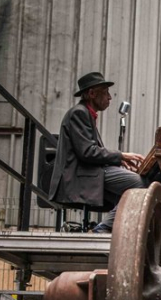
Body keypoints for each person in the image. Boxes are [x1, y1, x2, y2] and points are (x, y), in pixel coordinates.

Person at [48, 72, 147, 233]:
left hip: (89, 172)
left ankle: (115, 229)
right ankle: (103, 228)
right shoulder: (79, 113)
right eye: (105, 92)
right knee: (140, 184)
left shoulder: (86, 114)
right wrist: (121, 156)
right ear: (92, 94)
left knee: (129, 190)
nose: (110, 97)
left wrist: (120, 161)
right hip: (81, 176)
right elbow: (88, 152)